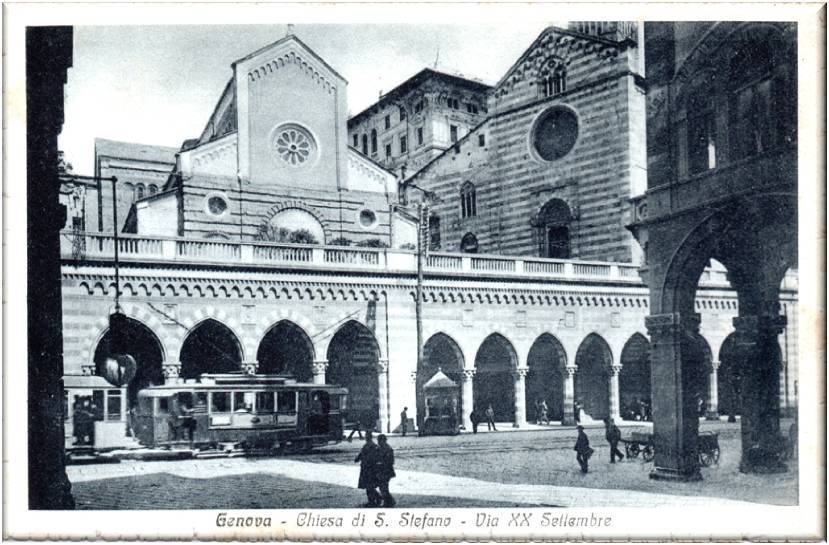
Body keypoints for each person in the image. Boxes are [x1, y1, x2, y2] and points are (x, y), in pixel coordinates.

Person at [354, 431, 381, 507]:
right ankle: (377, 498)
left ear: (367, 437)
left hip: (367, 468)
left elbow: (361, 455)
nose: (366, 437)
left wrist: (357, 459)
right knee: (370, 486)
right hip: (372, 468)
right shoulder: (374, 445)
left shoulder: (367, 446)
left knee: (368, 486)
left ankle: (372, 501)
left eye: (366, 436)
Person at [376, 434, 396, 507]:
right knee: (382, 487)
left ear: (383, 441)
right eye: (378, 441)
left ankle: (389, 501)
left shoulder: (388, 449)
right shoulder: (380, 448)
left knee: (384, 487)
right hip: (382, 471)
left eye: (379, 441)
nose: (378, 442)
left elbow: (391, 461)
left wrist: (381, 463)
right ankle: (389, 501)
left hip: (386, 471)